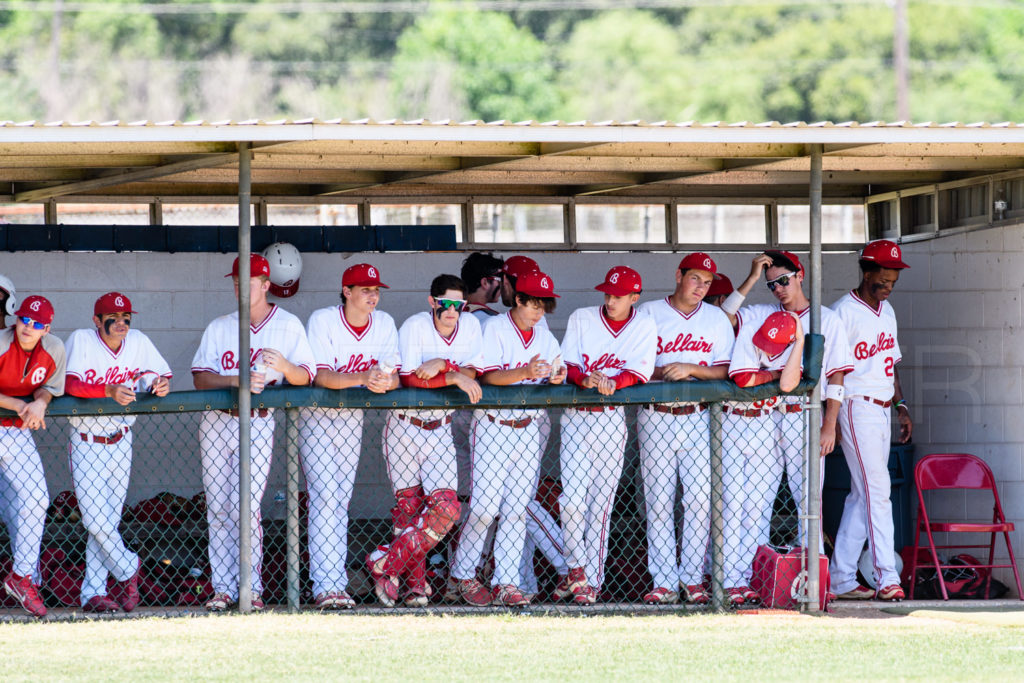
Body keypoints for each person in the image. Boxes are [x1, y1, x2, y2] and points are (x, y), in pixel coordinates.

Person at [191, 254, 316, 612]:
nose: (238, 287)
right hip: (217, 421)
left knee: (244, 506)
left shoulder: (288, 325)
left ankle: (251, 586)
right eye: (235, 281)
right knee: (218, 507)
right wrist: (236, 379)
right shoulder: (220, 326)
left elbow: (305, 377)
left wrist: (285, 366)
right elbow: (200, 377)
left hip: (259, 421)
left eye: (246, 281)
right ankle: (223, 588)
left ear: (265, 284)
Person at [450, 271, 566, 607]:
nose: (538, 311)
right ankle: (462, 572)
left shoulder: (544, 336)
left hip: (529, 428)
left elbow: (559, 372)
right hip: (493, 425)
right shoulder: (495, 328)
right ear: (517, 300)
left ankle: (506, 582)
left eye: (543, 305)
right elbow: (487, 377)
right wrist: (524, 373)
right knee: (485, 508)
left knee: (515, 509)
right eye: (533, 303)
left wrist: (558, 377)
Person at [366, 274, 483, 608]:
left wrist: (446, 367)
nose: (452, 311)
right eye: (446, 303)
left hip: (440, 427)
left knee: (446, 508)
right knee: (408, 510)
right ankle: (416, 588)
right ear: (433, 302)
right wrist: (454, 374)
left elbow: (475, 371)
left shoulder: (470, 326)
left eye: (458, 305)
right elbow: (411, 379)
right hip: (404, 426)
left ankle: (384, 563)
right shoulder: (415, 326)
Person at [733, 251, 853, 554]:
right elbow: (725, 315)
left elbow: (837, 375)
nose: (779, 289)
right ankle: (751, 575)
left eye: (784, 280)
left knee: (809, 500)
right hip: (767, 414)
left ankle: (812, 578)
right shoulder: (764, 312)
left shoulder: (827, 318)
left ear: (800, 275)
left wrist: (829, 425)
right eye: (772, 284)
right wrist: (751, 279)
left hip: (806, 413)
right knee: (757, 500)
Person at [64, 292, 172, 613]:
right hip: (87, 440)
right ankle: (128, 568)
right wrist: (107, 390)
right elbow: (70, 385)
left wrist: (158, 383)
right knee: (95, 521)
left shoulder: (137, 341)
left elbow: (159, 373)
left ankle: (93, 593)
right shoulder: (82, 340)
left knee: (108, 520)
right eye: (114, 317)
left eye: (127, 317)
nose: (122, 323)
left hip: (122, 439)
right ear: (97, 321)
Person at [299, 263, 399, 610]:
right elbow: (322, 377)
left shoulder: (384, 323)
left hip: (351, 418)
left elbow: (394, 374)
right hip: (317, 416)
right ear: (347, 292)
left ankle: (335, 583)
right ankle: (324, 584)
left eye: (376, 290)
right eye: (365, 290)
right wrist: (363, 379)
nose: (373, 296)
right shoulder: (323, 320)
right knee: (325, 498)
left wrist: (384, 381)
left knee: (340, 501)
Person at [636, 253, 735, 605]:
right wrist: (665, 372)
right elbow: (633, 368)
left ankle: (692, 579)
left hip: (699, 418)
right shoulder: (648, 312)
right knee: (659, 502)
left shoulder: (716, 319)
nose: (701, 287)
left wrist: (691, 368)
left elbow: (726, 370)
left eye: (707, 282)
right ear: (679, 276)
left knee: (698, 501)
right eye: (695, 278)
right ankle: (663, 581)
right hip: (656, 414)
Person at [558, 265, 657, 605]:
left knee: (600, 507)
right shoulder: (582, 317)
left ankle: (592, 582)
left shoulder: (643, 323)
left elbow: (640, 371)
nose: (611, 300)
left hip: (611, 421)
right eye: (608, 294)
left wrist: (617, 382)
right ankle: (576, 569)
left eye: (618, 296)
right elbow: (567, 364)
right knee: (571, 502)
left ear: (634, 297)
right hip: (576, 418)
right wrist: (583, 379)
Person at [830, 240, 913, 602]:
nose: (888, 287)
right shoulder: (842, 312)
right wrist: (830, 418)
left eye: (893, 281)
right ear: (866, 273)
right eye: (883, 280)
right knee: (877, 492)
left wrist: (901, 405)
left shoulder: (888, 310)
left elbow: (889, 364)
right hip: (856, 403)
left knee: (862, 496)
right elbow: (831, 371)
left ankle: (841, 577)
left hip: (881, 408)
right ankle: (886, 577)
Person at [725, 310, 805, 606]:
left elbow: (788, 385)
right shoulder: (751, 332)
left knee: (757, 507)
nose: (765, 350)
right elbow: (743, 378)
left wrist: (797, 344)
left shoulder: (797, 347)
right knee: (732, 504)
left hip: (765, 425)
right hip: (733, 421)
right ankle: (726, 578)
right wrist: (772, 374)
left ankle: (744, 577)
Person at [0, 295, 65, 618]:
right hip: (12, 418)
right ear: (17, 320)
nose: (30, 327)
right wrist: (18, 405)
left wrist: (40, 402)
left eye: (38, 324)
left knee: (37, 499)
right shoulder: (1, 343)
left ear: (47, 328)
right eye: (26, 320)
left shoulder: (54, 347)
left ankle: (22, 576)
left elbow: (51, 386)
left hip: (15, 431)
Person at [460, 252, 505, 319]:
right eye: (500, 280)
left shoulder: (453, 311)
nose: (503, 285)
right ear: (485, 282)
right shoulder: (489, 319)